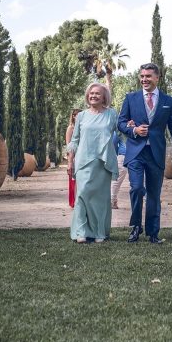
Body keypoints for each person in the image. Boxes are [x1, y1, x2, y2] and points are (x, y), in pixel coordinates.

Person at [117, 63, 172, 244]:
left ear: (157, 78)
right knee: (137, 188)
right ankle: (136, 226)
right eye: (142, 76)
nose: (144, 79)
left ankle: (153, 233)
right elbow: (121, 123)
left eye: (148, 76)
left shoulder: (168, 101)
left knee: (154, 194)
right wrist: (134, 131)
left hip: (156, 152)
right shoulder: (131, 98)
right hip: (136, 152)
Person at [66, 84, 118, 243]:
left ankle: (99, 232)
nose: (93, 96)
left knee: (100, 199)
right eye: (91, 93)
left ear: (104, 97)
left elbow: (122, 131)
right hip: (83, 161)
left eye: (97, 94)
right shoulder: (81, 116)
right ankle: (80, 232)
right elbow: (74, 140)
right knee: (82, 195)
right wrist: (70, 161)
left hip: (103, 162)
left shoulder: (111, 114)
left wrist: (132, 128)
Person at [110, 131, 128, 209]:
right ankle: (112, 200)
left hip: (123, 155)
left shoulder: (120, 126)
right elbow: (114, 141)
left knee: (116, 180)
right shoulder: (121, 126)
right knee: (117, 180)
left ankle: (112, 200)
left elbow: (114, 142)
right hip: (123, 155)